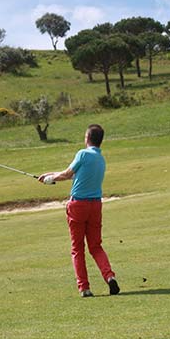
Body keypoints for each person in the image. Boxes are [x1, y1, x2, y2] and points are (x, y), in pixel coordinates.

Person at [39, 124, 120, 298]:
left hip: (78, 206)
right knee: (96, 246)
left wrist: (50, 179)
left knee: (77, 249)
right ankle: (109, 276)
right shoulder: (101, 159)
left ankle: (84, 288)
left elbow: (68, 174)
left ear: (87, 138)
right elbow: (74, 174)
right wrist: (49, 175)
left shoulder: (82, 154)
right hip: (95, 206)